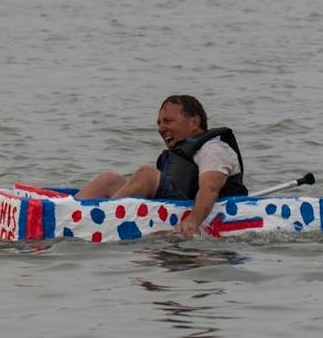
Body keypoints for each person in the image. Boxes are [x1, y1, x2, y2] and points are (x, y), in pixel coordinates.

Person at [76, 95, 245, 238]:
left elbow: (210, 189)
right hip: (172, 201)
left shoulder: (213, 149)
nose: (160, 129)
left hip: (195, 208)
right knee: (109, 179)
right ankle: (70, 210)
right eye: (159, 123)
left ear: (194, 122)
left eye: (168, 121)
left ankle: (96, 221)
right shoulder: (182, 151)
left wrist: (192, 221)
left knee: (147, 174)